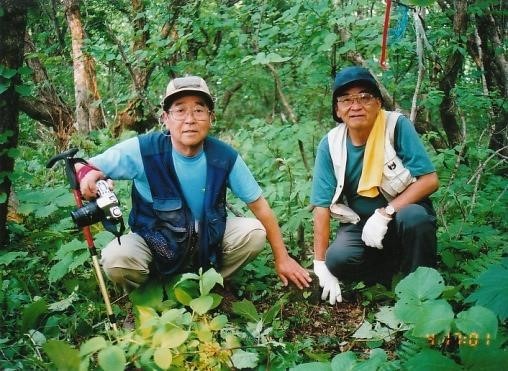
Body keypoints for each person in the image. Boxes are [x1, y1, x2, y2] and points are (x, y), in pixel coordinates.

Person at [75, 75, 311, 292]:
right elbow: (82, 166)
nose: (190, 119)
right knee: (117, 257)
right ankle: (153, 292)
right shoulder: (143, 150)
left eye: (199, 110)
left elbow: (261, 208)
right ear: (165, 118)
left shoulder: (224, 157)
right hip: (155, 241)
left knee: (254, 232)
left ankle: (206, 285)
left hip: (207, 241)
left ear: (211, 118)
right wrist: (88, 176)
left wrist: (283, 257)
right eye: (180, 110)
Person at [311, 66, 439, 305]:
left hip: (401, 214)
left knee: (415, 218)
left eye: (365, 97)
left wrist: (387, 212)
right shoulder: (330, 144)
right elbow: (321, 206)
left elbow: (430, 180)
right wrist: (320, 264)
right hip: (361, 223)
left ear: (379, 102)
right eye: (346, 100)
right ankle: (386, 274)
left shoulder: (395, 126)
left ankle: (423, 290)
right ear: (337, 110)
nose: (356, 106)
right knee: (338, 258)